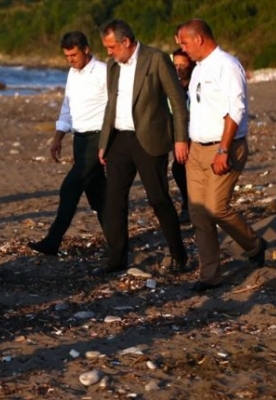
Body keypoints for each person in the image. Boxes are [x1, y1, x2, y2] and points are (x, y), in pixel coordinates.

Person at [176, 19, 267, 292]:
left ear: (199, 39)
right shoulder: (199, 68)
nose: (181, 48)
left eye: (184, 43)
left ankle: (254, 244)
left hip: (224, 147)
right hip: (197, 149)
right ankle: (210, 276)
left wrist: (223, 149)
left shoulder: (227, 64)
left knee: (217, 208)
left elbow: (235, 110)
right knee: (198, 214)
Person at [98, 20, 189, 274]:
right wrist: (104, 142)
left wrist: (180, 139)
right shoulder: (111, 65)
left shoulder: (157, 59)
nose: (109, 52)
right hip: (118, 139)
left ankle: (178, 255)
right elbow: (111, 104)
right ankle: (116, 260)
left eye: (112, 46)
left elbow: (177, 100)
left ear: (126, 42)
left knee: (158, 199)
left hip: (149, 139)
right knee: (113, 201)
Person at [28, 31, 107, 256]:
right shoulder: (73, 73)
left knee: (70, 187)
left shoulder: (103, 72)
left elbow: (115, 106)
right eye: (67, 56)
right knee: (98, 195)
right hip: (79, 139)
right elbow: (67, 106)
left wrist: (109, 143)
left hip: (98, 137)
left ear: (86, 49)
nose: (71, 59)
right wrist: (58, 137)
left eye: (74, 54)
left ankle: (52, 241)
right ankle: (116, 243)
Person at [170, 48, 196, 225]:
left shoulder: (197, 84)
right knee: (178, 169)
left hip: (197, 132)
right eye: (175, 65)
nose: (178, 69)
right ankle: (188, 203)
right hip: (179, 134)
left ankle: (192, 206)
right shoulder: (173, 86)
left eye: (183, 65)